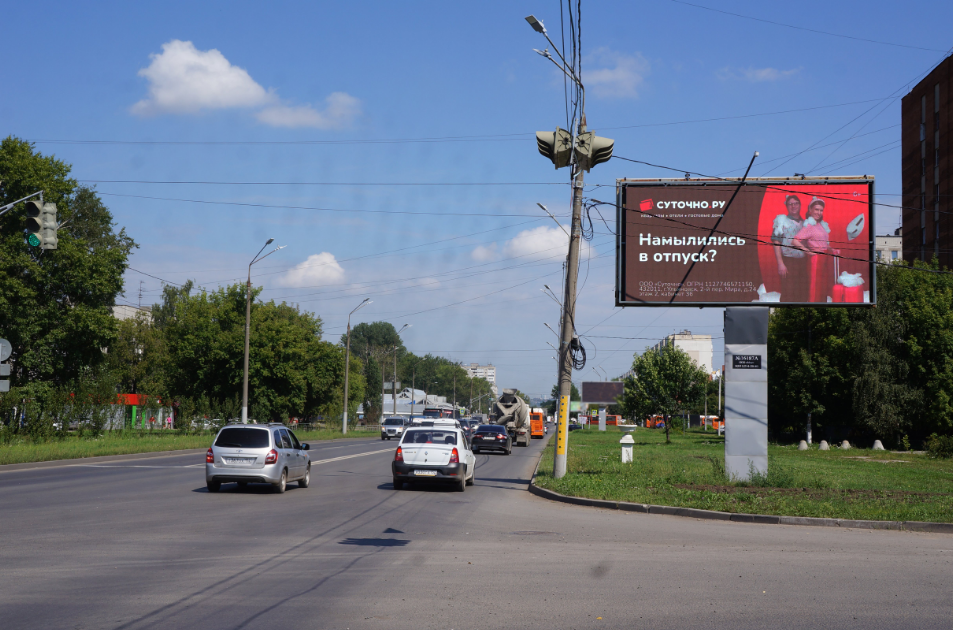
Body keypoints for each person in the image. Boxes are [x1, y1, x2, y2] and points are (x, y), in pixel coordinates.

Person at [771, 194, 807, 302]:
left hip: (803, 262)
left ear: (800, 205)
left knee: (802, 293)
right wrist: (780, 263)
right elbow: (776, 242)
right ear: (786, 206)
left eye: (796, 203)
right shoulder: (781, 221)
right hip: (788, 261)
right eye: (790, 204)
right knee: (788, 293)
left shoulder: (805, 223)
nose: (793, 206)